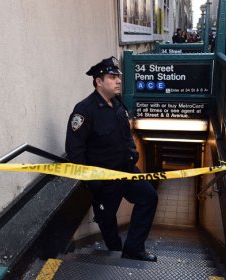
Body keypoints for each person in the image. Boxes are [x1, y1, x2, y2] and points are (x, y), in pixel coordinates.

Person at [65, 56, 158, 262]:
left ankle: (134, 249)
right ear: (99, 81)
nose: (118, 81)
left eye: (118, 77)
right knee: (107, 221)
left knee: (149, 197)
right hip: (104, 181)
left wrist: (133, 151)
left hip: (126, 171)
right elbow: (75, 152)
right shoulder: (84, 111)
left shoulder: (118, 106)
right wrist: (92, 182)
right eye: (112, 77)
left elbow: (128, 135)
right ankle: (115, 253)